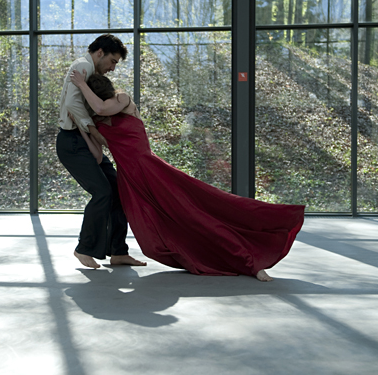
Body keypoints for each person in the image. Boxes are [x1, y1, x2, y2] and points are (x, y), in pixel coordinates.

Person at [69, 70, 305, 281]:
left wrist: (81, 84)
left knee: (195, 214)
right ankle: (121, 254)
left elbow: (101, 107)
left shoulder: (122, 100)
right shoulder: (99, 122)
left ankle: (250, 261)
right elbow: (98, 156)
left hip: (152, 172)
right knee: (159, 229)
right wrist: (84, 127)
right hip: (132, 181)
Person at [56, 34, 146, 270]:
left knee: (118, 191)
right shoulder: (83, 66)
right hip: (73, 143)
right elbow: (73, 105)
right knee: (103, 192)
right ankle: (84, 248)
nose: (113, 68)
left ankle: (118, 252)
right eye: (113, 61)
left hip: (83, 141)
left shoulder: (91, 73)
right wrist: (95, 133)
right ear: (100, 53)